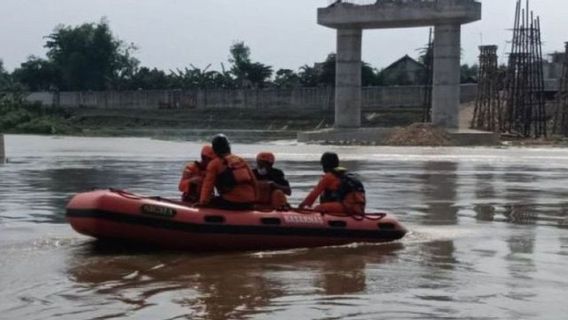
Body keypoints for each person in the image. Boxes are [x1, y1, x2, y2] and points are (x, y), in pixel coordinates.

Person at [198, 134, 257, 210]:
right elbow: (254, 181)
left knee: (212, 201)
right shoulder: (240, 160)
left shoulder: (214, 164)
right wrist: (255, 199)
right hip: (249, 201)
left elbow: (208, 185)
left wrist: (203, 202)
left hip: (231, 202)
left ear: (215, 149)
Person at [299, 152, 366, 215]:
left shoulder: (328, 177)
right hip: (359, 208)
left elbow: (312, 197)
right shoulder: (346, 175)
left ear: (325, 165)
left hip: (347, 207)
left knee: (319, 208)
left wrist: (300, 208)